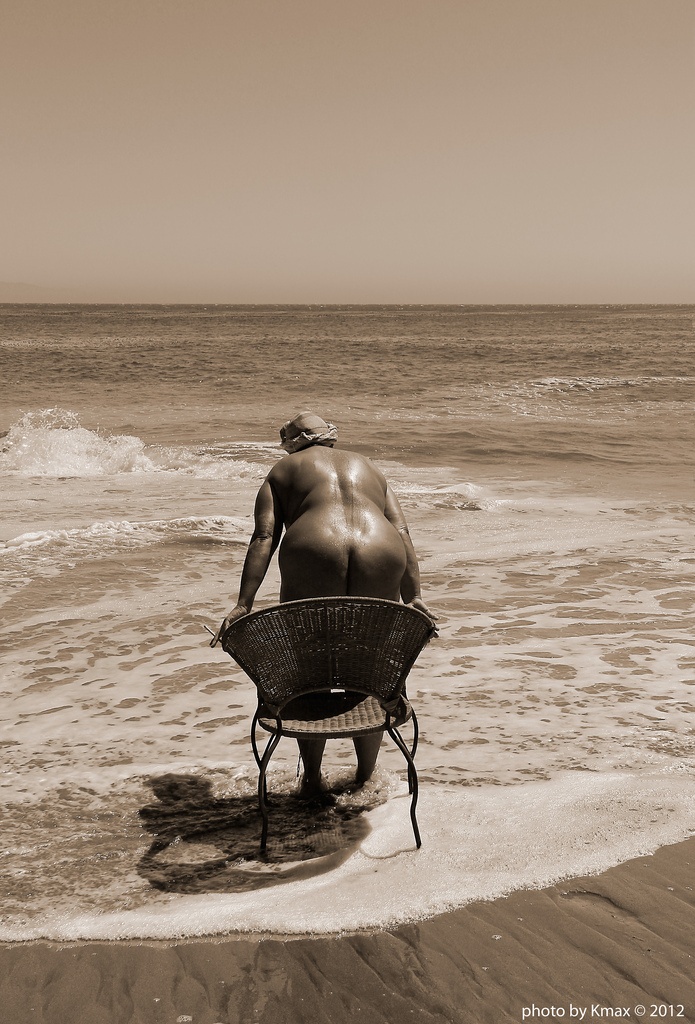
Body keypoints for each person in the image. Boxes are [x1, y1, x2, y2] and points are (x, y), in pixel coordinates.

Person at [211, 411, 435, 799]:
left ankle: (313, 780)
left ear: (291, 443)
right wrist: (414, 595)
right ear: (329, 437)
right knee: (370, 666)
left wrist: (243, 604)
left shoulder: (282, 470)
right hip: (381, 546)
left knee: (309, 665)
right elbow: (401, 530)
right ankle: (365, 777)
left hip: (316, 547)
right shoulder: (369, 466)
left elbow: (264, 536)